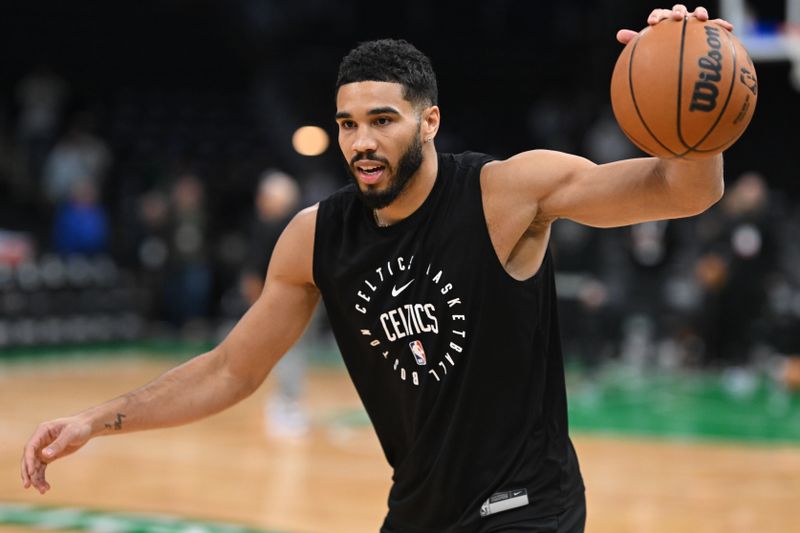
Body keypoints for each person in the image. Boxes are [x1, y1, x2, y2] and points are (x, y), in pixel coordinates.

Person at [22, 6, 735, 532]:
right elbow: (229, 370)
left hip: (528, 508)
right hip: (419, 509)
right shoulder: (316, 237)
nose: (362, 141)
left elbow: (684, 190)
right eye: (347, 123)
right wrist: (96, 419)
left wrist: (698, 100)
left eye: (383, 120)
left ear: (428, 121)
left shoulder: (508, 194)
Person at [240, 169, 309, 437]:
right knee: (286, 352)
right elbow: (253, 273)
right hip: (281, 302)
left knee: (290, 351)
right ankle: (285, 404)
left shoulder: (282, 225)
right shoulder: (269, 226)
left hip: (294, 300)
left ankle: (286, 403)